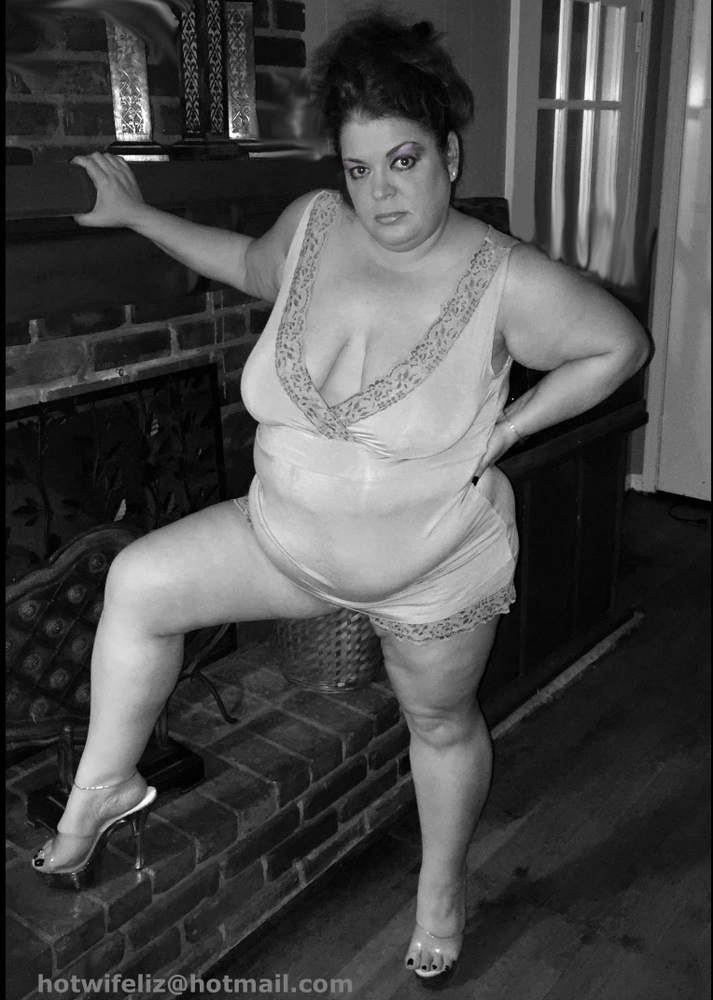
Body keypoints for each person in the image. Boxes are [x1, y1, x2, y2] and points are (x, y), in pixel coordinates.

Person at [31, 11, 650, 980]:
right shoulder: (316, 226)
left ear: (448, 154)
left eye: (403, 161)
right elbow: (245, 264)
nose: (380, 194)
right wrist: (140, 215)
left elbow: (618, 346)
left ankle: (438, 888)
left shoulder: (504, 276)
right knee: (139, 583)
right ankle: (103, 787)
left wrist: (509, 429)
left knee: (438, 725)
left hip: (429, 572)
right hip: (281, 541)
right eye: (360, 169)